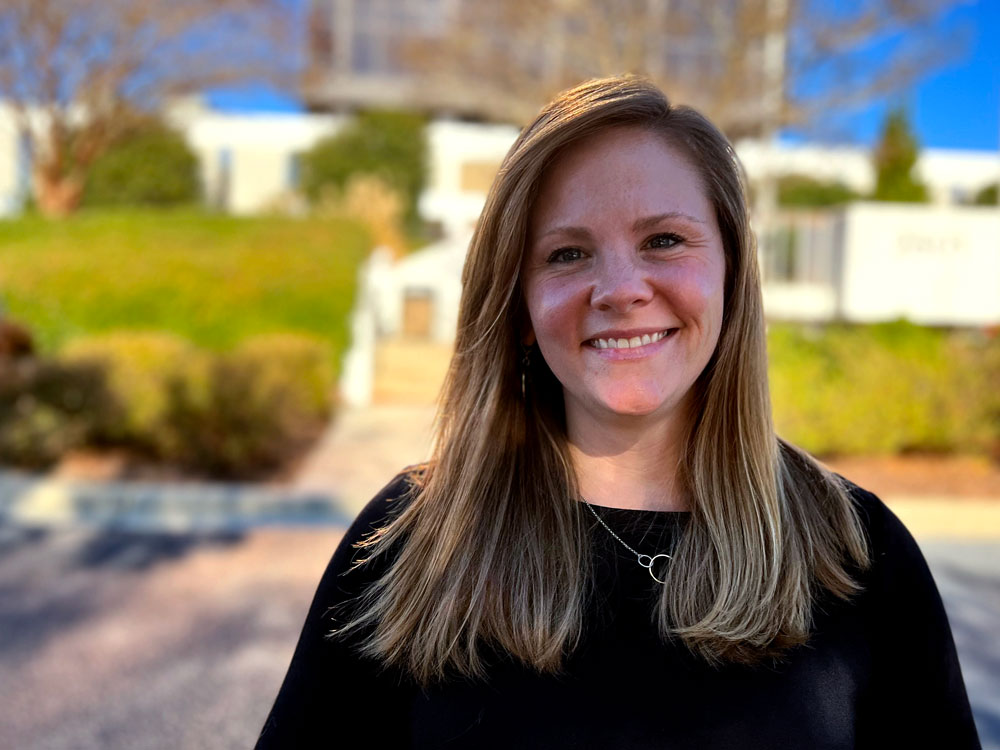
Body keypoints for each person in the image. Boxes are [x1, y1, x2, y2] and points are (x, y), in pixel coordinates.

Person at [256, 76, 981, 749]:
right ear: (518, 307)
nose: (621, 289)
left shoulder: (858, 553)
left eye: (663, 240)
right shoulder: (412, 544)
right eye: (567, 254)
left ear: (731, 271)